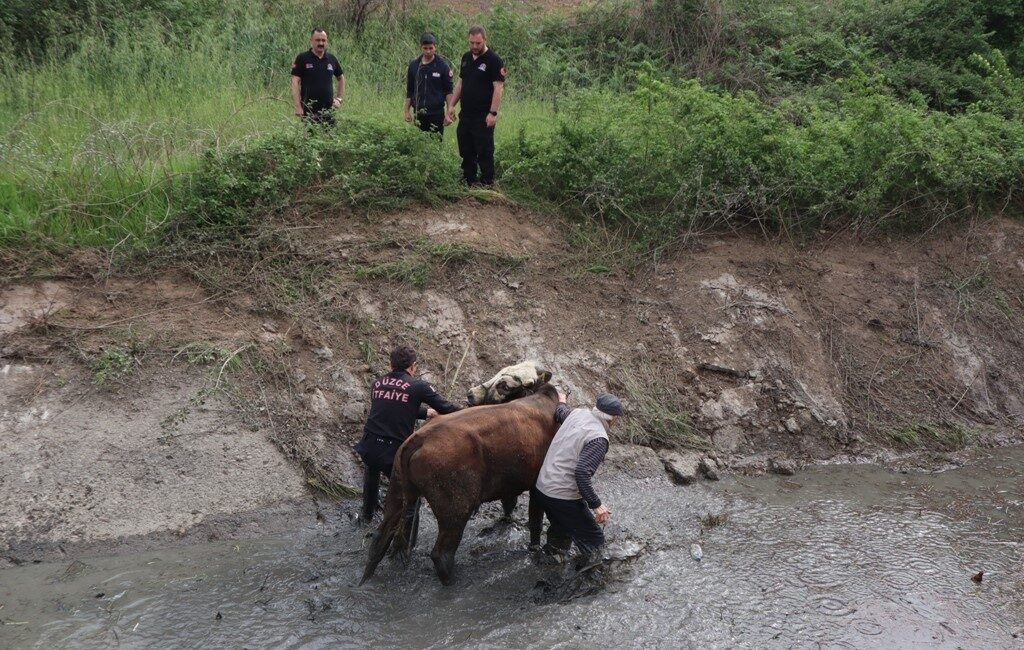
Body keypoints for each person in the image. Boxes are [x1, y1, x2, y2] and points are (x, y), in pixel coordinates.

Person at [354, 346, 460, 525]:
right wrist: (474, 413)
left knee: (372, 471)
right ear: (413, 366)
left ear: (391, 364)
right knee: (411, 496)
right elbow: (447, 408)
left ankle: (366, 516)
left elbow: (395, 406)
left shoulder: (378, 383)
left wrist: (426, 413)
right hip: (393, 452)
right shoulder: (418, 386)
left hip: (369, 446)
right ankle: (406, 540)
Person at [533, 392, 623, 569]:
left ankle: (551, 564)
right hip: (562, 496)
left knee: (561, 528)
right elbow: (581, 473)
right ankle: (593, 579)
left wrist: (562, 400)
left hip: (542, 488)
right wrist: (597, 505)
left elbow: (560, 412)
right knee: (595, 542)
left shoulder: (577, 413)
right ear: (613, 419)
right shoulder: (598, 438)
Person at [447, 25, 505, 185]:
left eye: (478, 43)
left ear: (485, 40)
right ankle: (469, 181)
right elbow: (460, 83)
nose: (474, 46)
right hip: (466, 114)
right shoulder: (466, 58)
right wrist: (451, 105)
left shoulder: (494, 60)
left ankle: (487, 184)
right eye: (471, 43)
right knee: (466, 150)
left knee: (485, 151)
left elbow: (498, 88)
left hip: (483, 116)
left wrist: (493, 113)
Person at [404, 32, 455, 137]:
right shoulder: (414, 66)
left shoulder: (443, 66)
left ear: (435, 47)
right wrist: (406, 111)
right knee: (419, 145)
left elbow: (448, 91)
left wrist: (449, 112)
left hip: (436, 114)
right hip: (418, 113)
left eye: (431, 48)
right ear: (421, 47)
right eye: (425, 48)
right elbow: (410, 90)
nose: (428, 51)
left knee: (435, 145)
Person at [291, 28, 345, 124]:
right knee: (310, 138)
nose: (321, 43)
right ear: (311, 41)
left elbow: (340, 78)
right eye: (318, 40)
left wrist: (339, 99)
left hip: (329, 110)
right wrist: (297, 106)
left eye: (323, 40)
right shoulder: (302, 58)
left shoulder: (331, 59)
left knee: (329, 138)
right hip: (308, 110)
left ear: (326, 41)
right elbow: (295, 81)